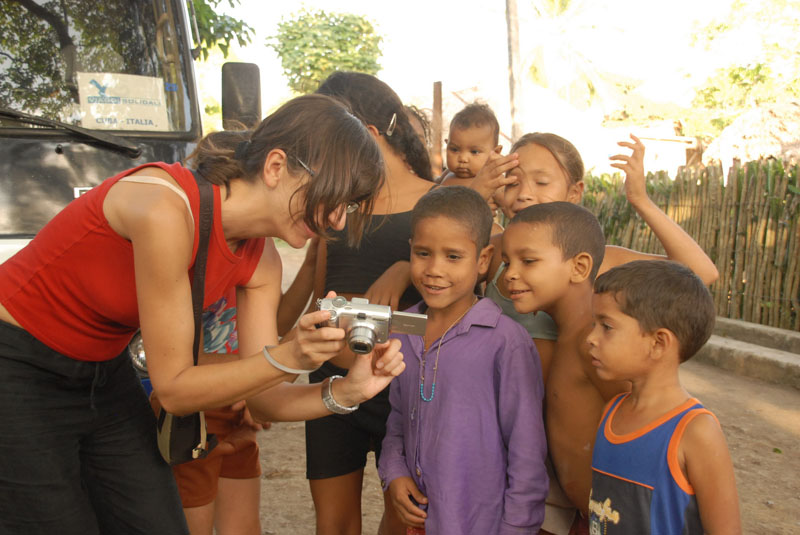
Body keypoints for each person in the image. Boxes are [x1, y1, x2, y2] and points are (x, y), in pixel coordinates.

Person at [0, 93, 406, 535]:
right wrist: (290, 356)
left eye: (346, 208)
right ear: (275, 168)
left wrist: (347, 391)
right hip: (18, 362)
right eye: (332, 198)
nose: (337, 223)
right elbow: (174, 389)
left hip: (102, 369)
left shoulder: (262, 259)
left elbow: (263, 396)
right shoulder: (164, 209)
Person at [303, 71, 437, 535]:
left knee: (403, 523)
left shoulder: (441, 202)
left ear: (370, 135)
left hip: (404, 393)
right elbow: (318, 300)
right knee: (334, 525)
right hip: (332, 389)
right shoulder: (338, 207)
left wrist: (405, 266)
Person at [379, 186, 548, 534]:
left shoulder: (506, 342)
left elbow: (527, 450)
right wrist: (394, 472)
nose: (434, 270)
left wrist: (517, 528)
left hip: (479, 522)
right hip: (421, 520)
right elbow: (397, 417)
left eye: (453, 256)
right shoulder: (403, 327)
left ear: (483, 259)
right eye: (423, 253)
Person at [587, 260, 741, 534]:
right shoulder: (611, 412)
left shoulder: (696, 431)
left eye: (606, 327)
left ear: (658, 343)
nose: (591, 338)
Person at [501, 202, 625, 535]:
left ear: (580, 267)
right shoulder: (567, 336)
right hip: (587, 518)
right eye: (506, 262)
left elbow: (648, 422)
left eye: (528, 261)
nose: (510, 274)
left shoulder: (593, 343)